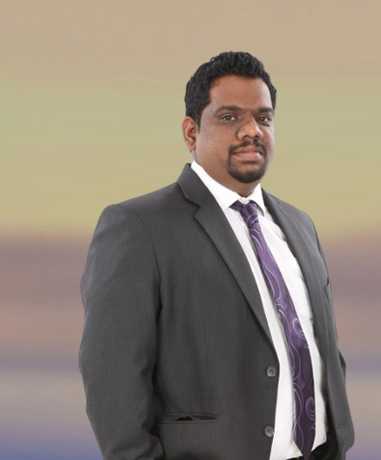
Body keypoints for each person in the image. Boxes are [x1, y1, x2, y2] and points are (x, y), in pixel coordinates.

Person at [79, 51, 354, 460]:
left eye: (263, 118)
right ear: (191, 132)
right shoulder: (138, 227)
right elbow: (113, 380)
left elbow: (320, 347)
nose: (251, 131)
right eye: (229, 117)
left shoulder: (299, 225)